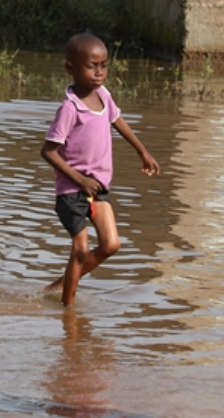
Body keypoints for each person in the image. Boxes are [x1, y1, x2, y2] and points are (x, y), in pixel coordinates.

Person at [41, 34, 160, 307]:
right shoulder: (70, 109)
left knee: (111, 245)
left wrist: (142, 151)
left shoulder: (104, 96)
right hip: (73, 189)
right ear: (71, 69)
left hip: (98, 186)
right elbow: (47, 151)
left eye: (103, 65)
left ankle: (62, 283)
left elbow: (118, 121)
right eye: (91, 66)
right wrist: (80, 179)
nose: (99, 73)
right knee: (80, 250)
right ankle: (68, 313)